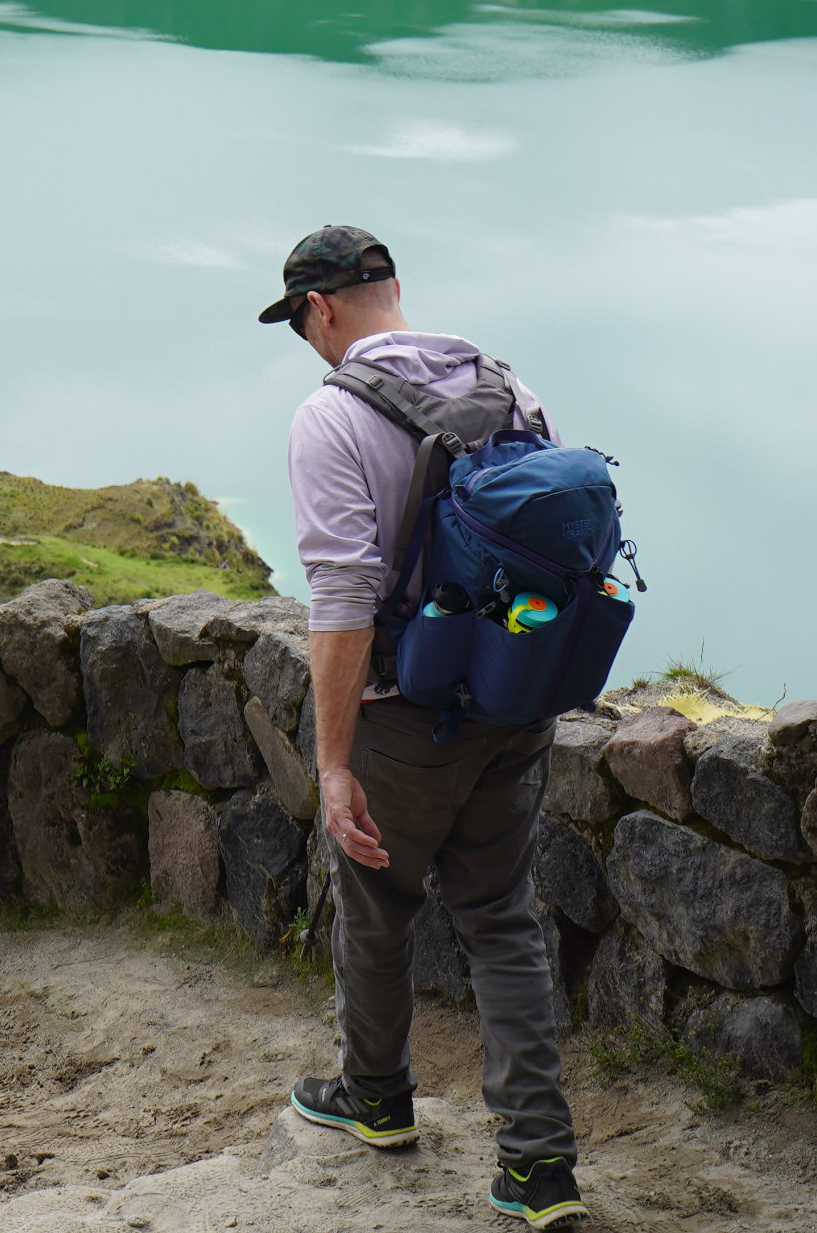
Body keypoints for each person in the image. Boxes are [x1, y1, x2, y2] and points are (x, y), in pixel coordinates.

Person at [261, 228, 587, 1228]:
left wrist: (332, 764)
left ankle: (376, 1102)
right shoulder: (505, 384)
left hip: (406, 714)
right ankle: (537, 1168)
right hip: (510, 695)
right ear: (393, 291)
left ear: (319, 311)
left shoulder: (330, 416)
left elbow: (344, 596)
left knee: (375, 905)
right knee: (500, 921)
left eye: (298, 323)